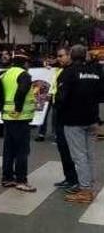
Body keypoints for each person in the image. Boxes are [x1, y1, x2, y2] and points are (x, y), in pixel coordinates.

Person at [58, 44, 104, 203]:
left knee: (79, 156)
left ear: (71, 55)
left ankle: (85, 190)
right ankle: (89, 186)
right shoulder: (96, 72)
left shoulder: (68, 72)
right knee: (89, 155)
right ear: (85, 55)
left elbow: (61, 98)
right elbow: (101, 95)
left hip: (73, 120)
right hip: (91, 118)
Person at [0, 51, 36, 192]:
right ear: (25, 63)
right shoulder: (24, 75)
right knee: (22, 151)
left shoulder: (5, 74)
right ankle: (21, 180)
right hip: (20, 117)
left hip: (7, 117)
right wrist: (18, 108)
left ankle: (7, 178)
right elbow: (22, 91)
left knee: (9, 149)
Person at [49, 48, 78, 190]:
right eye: (58, 56)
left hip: (66, 115)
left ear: (69, 56)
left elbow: (64, 95)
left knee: (67, 149)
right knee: (63, 149)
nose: (59, 58)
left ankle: (73, 179)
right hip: (61, 113)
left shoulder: (69, 72)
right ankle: (69, 178)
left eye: (61, 56)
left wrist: (56, 102)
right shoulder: (63, 71)